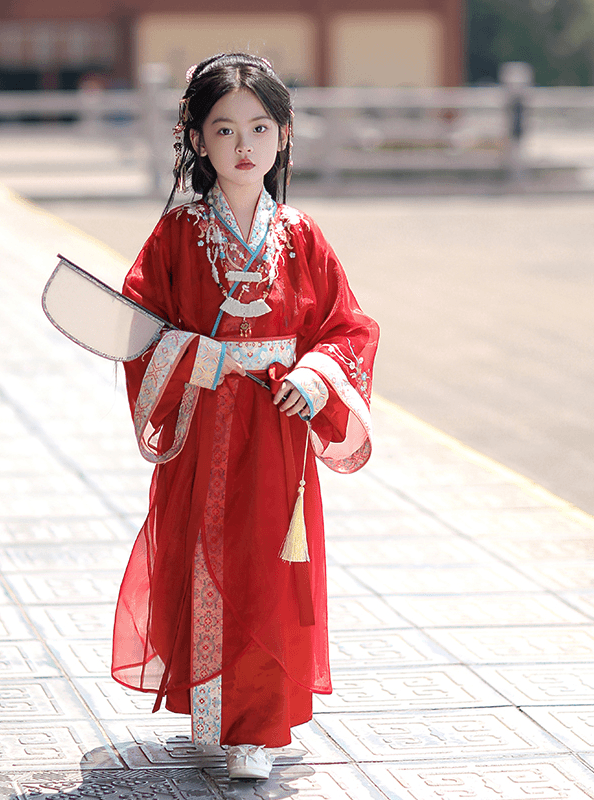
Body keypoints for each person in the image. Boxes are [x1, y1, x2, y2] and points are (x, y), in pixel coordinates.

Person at [111, 52, 379, 781]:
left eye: (259, 127)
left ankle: (254, 726)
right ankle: (219, 706)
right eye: (223, 129)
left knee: (269, 567)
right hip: (205, 427)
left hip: (276, 430)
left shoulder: (303, 235)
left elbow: (347, 328)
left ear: (284, 135)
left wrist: (317, 379)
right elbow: (138, 330)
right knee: (203, 559)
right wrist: (202, 358)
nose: (243, 145)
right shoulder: (174, 237)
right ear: (196, 139)